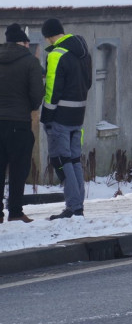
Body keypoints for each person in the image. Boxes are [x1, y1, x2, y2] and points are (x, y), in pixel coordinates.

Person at [39, 18, 92, 221]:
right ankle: (78, 205)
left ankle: (73, 206)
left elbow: (52, 89)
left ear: (49, 36)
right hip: (78, 114)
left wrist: (47, 116)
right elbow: (88, 83)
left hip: (60, 116)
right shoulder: (83, 51)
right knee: (74, 159)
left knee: (61, 160)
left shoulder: (56, 54)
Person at [0, 24, 43, 223]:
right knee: (18, 168)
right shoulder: (30, 62)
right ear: (24, 42)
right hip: (19, 123)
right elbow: (36, 97)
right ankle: (15, 211)